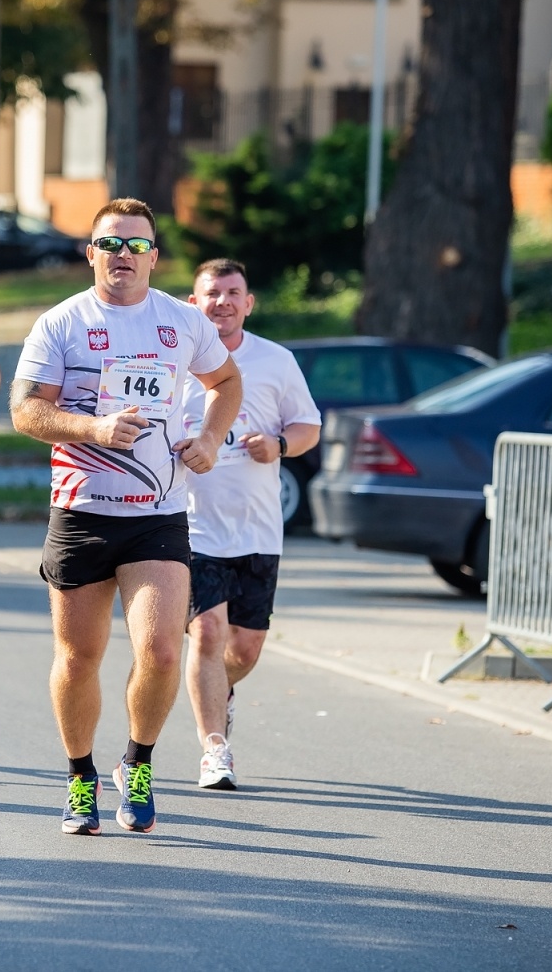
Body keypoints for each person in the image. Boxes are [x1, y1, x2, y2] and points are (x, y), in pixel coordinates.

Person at [11, 197, 242, 835]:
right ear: (91, 254)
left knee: (163, 651)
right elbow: (26, 412)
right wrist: (92, 427)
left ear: (154, 257)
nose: (124, 256)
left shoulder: (181, 321)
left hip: (157, 512)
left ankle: (137, 763)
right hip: (81, 509)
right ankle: (79, 776)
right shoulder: (62, 324)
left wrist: (210, 439)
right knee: (80, 656)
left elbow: (226, 384)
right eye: (111, 244)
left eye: (137, 245)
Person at [180, 259, 321, 790]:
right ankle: (214, 749)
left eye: (232, 293)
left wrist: (281, 445)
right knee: (209, 633)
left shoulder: (275, 360)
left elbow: (308, 426)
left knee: (244, 650)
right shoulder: (176, 362)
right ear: (193, 303)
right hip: (194, 527)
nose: (222, 302)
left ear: (248, 302)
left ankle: (217, 690)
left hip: (258, 530)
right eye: (212, 293)